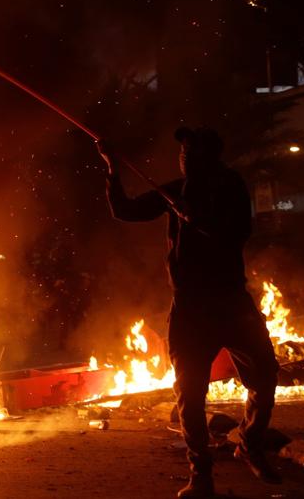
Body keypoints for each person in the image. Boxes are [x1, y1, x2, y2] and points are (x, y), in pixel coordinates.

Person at [98, 126, 281, 498]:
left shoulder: (231, 187)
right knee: (190, 393)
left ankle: (249, 442)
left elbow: (239, 232)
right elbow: (125, 210)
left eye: (190, 153)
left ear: (209, 157)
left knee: (264, 378)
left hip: (230, 301)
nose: (183, 159)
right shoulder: (175, 191)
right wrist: (113, 168)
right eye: (182, 153)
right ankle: (201, 474)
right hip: (190, 307)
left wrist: (197, 219)